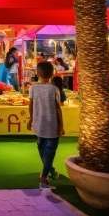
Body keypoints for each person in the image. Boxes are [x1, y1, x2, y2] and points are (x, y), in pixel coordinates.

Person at [27, 61, 65, 190]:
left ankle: (50, 170)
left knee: (42, 148)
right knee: (49, 152)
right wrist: (61, 126)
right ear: (52, 74)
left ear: (37, 73)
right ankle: (44, 177)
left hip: (38, 124)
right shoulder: (54, 89)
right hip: (52, 126)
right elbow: (58, 109)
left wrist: (31, 119)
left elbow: (30, 105)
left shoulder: (32, 88)